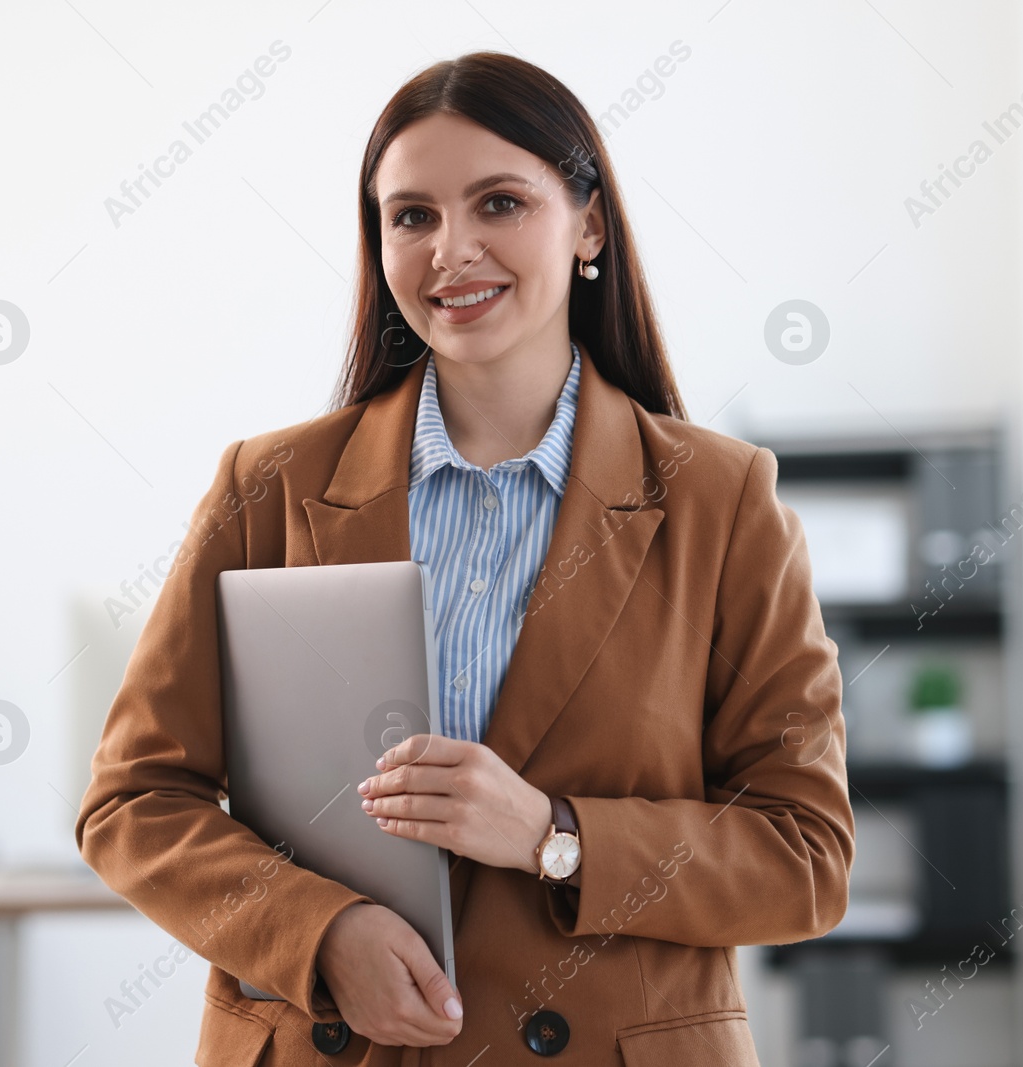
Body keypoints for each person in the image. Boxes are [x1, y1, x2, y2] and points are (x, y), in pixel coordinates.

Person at [76, 50, 853, 1066]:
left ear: (589, 225)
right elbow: (135, 800)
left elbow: (804, 856)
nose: (453, 250)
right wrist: (318, 931)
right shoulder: (265, 486)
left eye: (498, 203)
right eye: (412, 216)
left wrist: (551, 831)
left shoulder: (721, 499)